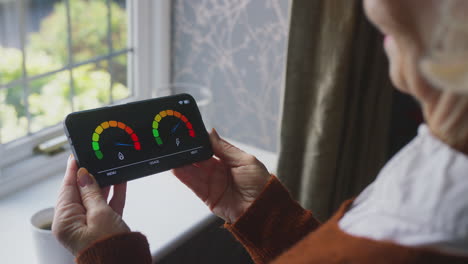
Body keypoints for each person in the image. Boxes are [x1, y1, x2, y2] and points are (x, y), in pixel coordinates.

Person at [52, 0, 468, 263]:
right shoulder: (439, 158)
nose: (371, 7)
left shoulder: (426, 229)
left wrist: (108, 257)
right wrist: (267, 219)